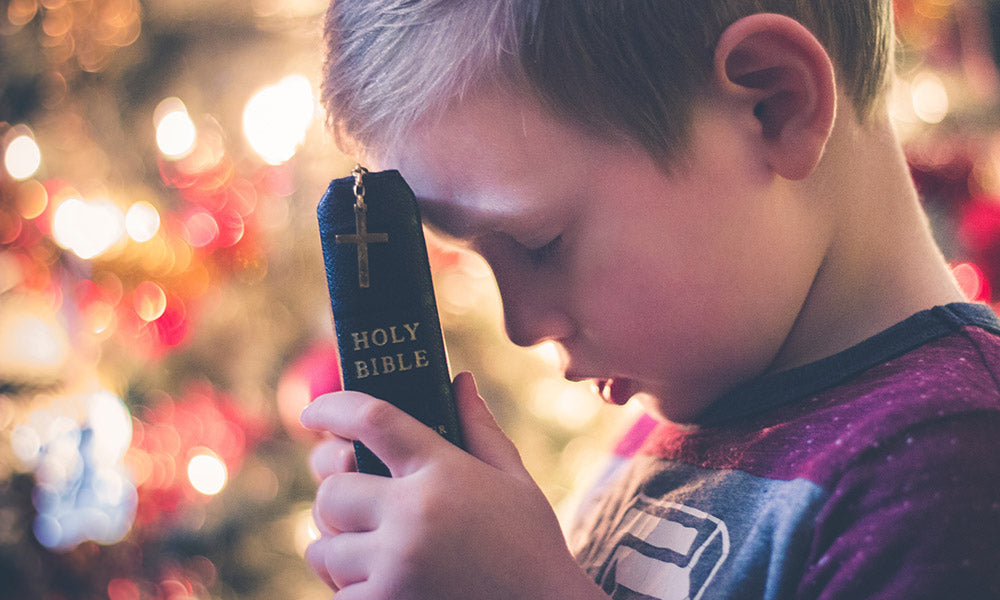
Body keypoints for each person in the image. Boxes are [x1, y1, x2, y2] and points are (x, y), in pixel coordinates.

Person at [300, 1, 1000, 598]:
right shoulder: (680, 420)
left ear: (772, 103)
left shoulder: (950, 468)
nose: (521, 326)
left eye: (543, 243)